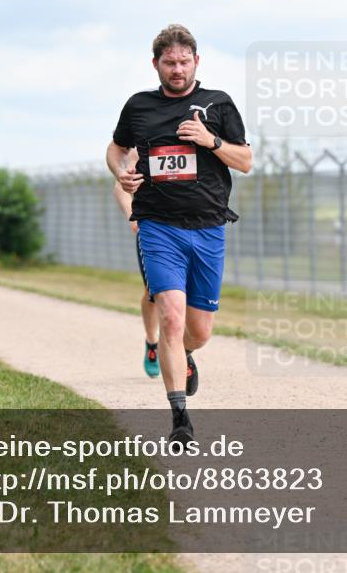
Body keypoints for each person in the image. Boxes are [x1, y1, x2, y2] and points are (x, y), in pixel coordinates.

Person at [106, 24, 252, 443]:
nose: (177, 69)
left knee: (199, 331)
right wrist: (122, 173)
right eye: (169, 62)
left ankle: (185, 354)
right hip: (158, 228)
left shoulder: (217, 104)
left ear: (196, 62)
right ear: (156, 65)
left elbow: (245, 161)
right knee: (170, 316)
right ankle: (180, 420)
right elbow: (115, 149)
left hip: (208, 229)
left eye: (184, 61)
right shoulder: (139, 107)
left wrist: (211, 140)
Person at [111, 156, 161, 378]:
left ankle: (182, 350)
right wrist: (133, 215)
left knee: (187, 292)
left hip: (187, 225)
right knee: (153, 292)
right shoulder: (140, 145)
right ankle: (153, 343)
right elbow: (120, 186)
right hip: (152, 228)